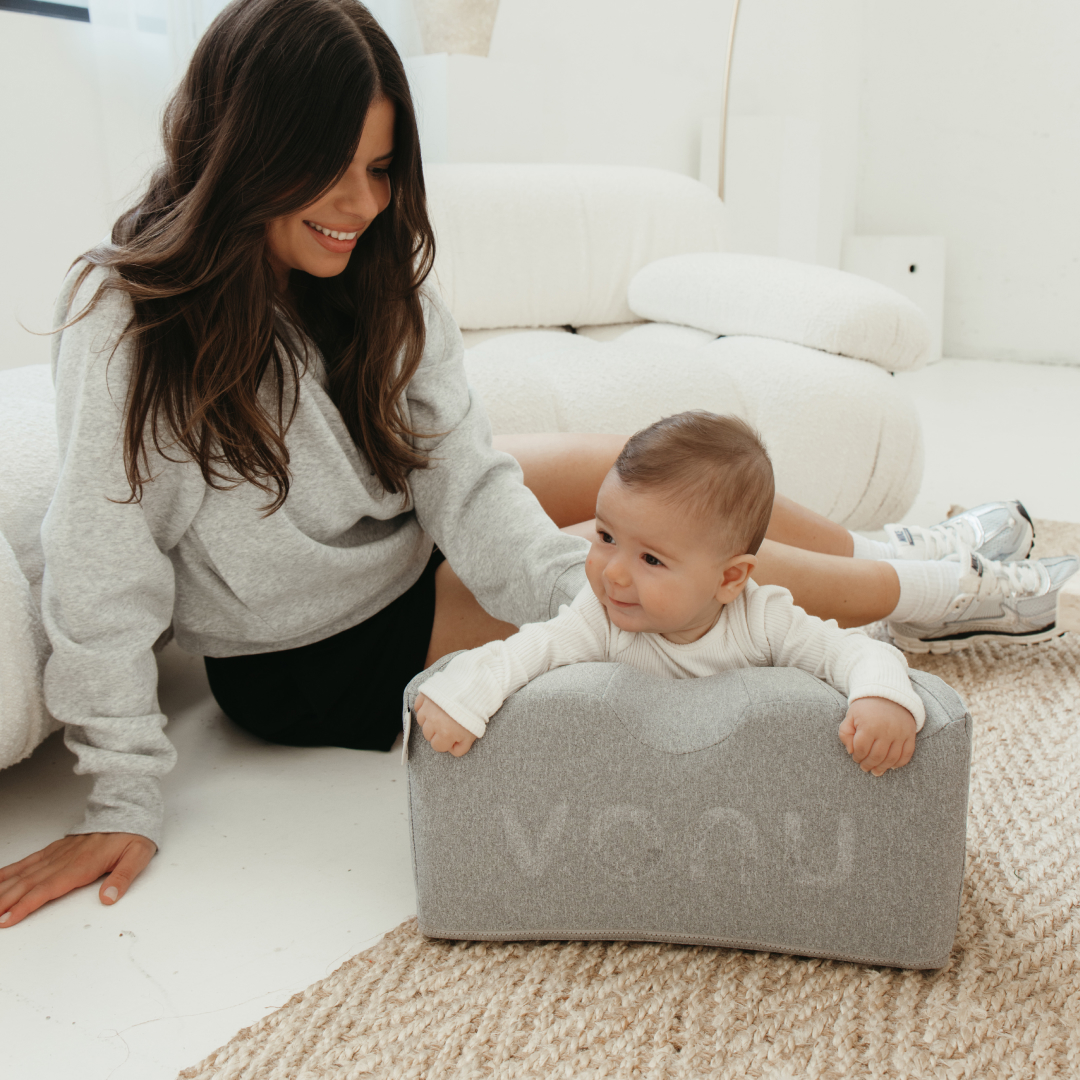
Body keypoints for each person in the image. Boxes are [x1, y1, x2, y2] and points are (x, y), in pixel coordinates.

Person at [0, 0, 1073, 928]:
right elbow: (100, 566)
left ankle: (896, 551)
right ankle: (952, 594)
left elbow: (460, 479)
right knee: (662, 555)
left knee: (625, 471)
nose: (365, 206)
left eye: (380, 169)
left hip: (389, 537)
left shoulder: (374, 273)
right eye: (329, 173)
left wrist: (600, 580)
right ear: (248, 151)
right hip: (313, 644)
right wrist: (122, 800)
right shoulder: (129, 320)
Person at [415, 412, 923, 776]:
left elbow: (855, 651)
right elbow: (522, 654)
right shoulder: (598, 620)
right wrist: (461, 699)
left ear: (729, 579)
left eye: (651, 560)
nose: (613, 574)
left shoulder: (764, 620)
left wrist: (881, 698)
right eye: (605, 537)